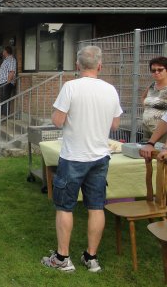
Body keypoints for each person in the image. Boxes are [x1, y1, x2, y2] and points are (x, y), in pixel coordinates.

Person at [41, 45, 122, 273]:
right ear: (100, 65)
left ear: (77, 65)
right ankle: (91, 257)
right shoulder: (110, 89)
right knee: (96, 207)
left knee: (65, 207)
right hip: (100, 156)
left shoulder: (71, 87)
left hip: (74, 156)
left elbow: (57, 121)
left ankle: (62, 258)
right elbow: (115, 125)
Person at [141, 56, 167, 143]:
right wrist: (148, 110)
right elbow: (144, 97)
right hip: (147, 131)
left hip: (162, 134)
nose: (156, 72)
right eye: (153, 70)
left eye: (160, 70)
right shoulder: (152, 86)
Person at [0, 46, 17, 116]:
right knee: (2, 98)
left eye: (3, 51)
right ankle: (1, 114)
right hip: (2, 82)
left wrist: (7, 82)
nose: (2, 52)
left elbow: (11, 72)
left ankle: (5, 115)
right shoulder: (5, 60)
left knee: (5, 99)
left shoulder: (11, 59)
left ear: (6, 52)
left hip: (6, 82)